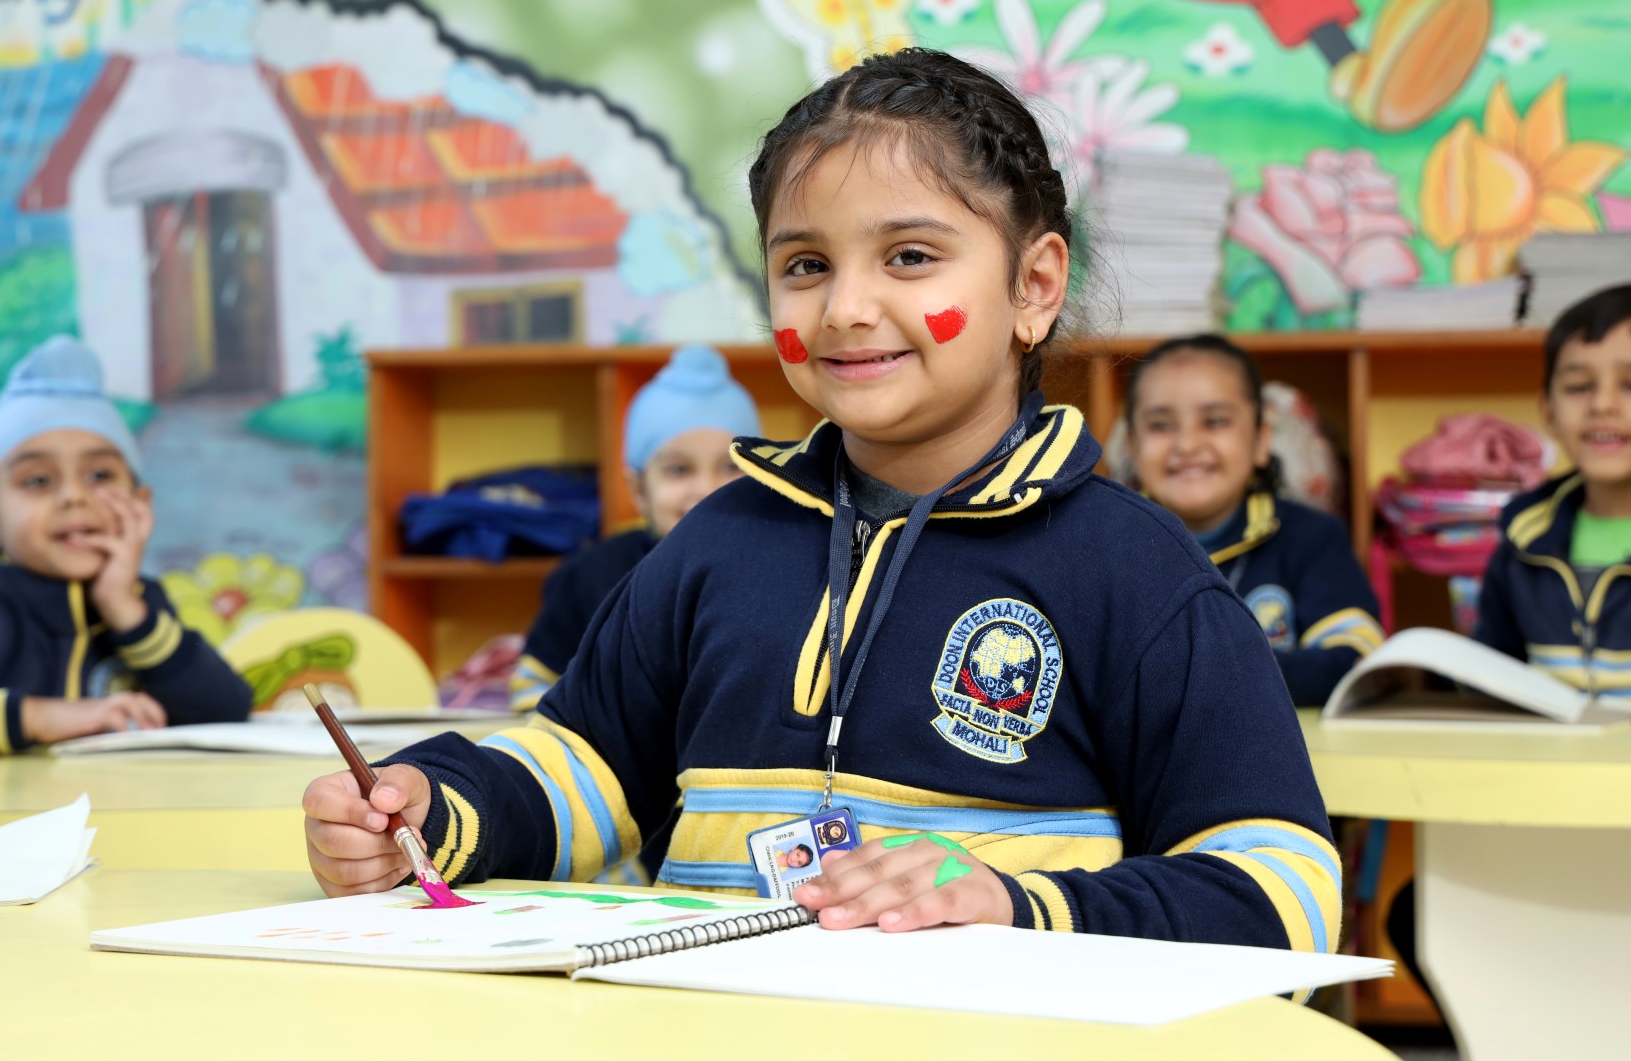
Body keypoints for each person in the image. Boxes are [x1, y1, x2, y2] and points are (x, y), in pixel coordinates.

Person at [301, 49, 1339, 959]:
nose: (845, 308)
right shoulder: (716, 543)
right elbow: (583, 769)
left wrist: (1018, 906)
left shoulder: (1138, 575)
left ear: (1034, 286)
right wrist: (435, 807)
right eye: (805, 265)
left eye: (909, 256)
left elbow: (1284, 891)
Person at [0, 336, 253, 758]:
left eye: (99, 476)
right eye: (38, 481)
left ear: (140, 504)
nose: (74, 498)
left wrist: (125, 610)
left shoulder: (139, 602)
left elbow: (228, 709)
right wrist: (40, 717)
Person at [1124, 333, 1383, 706]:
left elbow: (1356, 661)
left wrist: (1200, 673)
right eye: (1161, 425)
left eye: (1214, 421)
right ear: (1132, 446)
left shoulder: (1312, 537)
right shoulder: (1107, 545)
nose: (1187, 445)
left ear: (1261, 441)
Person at [509, 345, 759, 713]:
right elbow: (535, 689)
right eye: (678, 470)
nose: (706, 490)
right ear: (639, 489)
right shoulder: (589, 578)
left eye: (730, 467)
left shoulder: (783, 573)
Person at [1475, 284, 1631, 700]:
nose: (1602, 405)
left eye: (1629, 385)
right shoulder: (1522, 536)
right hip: (1548, 762)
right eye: (1580, 387)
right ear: (1548, 411)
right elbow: (1494, 672)